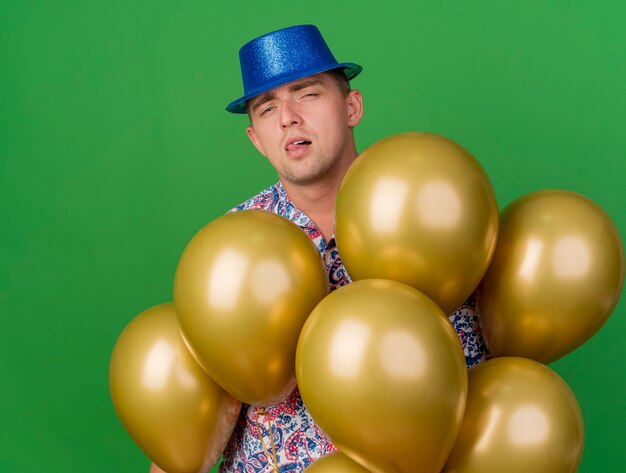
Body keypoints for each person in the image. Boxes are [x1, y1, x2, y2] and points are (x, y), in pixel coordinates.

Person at [151, 24, 488, 473]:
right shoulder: (230, 247)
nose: (288, 116)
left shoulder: (433, 201)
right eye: (267, 108)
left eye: (306, 93)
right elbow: (192, 412)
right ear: (255, 138)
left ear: (352, 106)